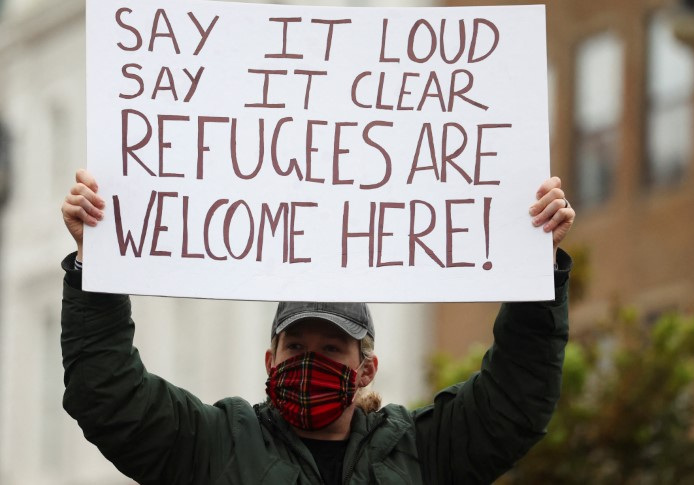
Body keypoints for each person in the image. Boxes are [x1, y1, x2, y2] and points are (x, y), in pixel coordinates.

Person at [61, 168, 576, 484]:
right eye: (295, 345)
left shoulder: (421, 452)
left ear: (366, 368)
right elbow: (109, 396)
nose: (310, 361)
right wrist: (93, 263)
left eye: (332, 347)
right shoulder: (216, 445)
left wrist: (538, 268)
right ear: (271, 360)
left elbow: (515, 399)